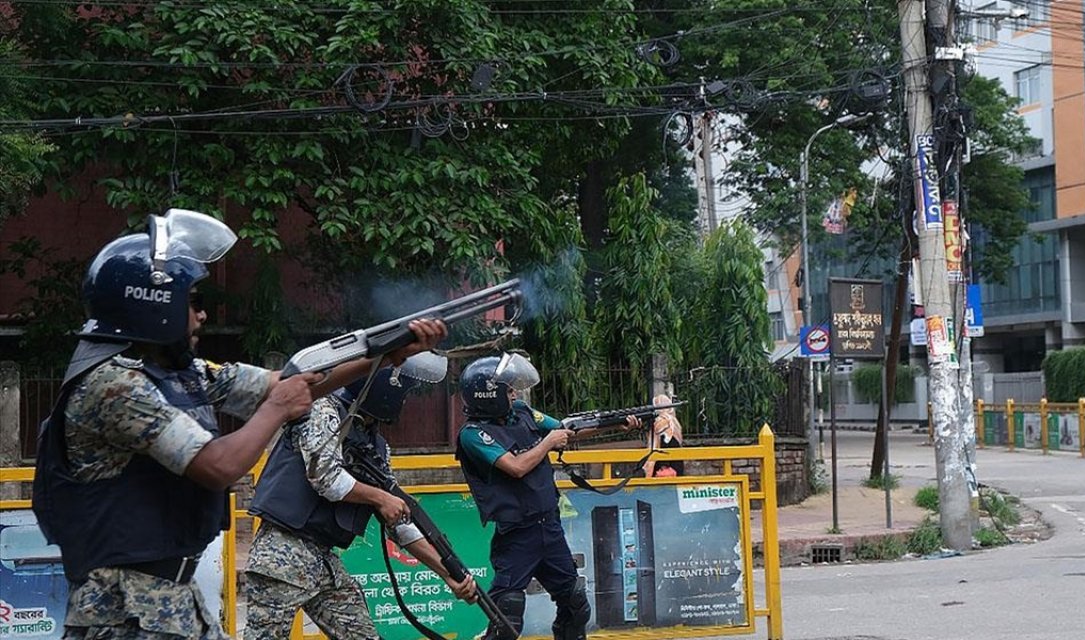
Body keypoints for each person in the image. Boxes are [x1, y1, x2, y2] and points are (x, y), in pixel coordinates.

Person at [32, 209, 444, 640]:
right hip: (122, 611)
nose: (202, 316)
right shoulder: (113, 385)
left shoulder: (179, 372)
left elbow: (294, 384)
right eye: (192, 302)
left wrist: (388, 352)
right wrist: (276, 409)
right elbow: (217, 465)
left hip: (170, 601)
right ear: (153, 302)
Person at [243, 352, 478, 639]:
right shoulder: (324, 408)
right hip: (282, 555)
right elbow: (325, 477)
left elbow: (400, 522)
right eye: (403, 391)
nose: (404, 401)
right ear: (383, 386)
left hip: (323, 561)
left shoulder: (375, 444)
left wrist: (448, 574)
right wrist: (379, 498)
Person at [454, 353, 639, 640]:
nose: (513, 391)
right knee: (507, 616)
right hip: (517, 535)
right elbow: (515, 467)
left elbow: (566, 430)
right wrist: (548, 443)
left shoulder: (522, 412)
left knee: (576, 605)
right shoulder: (473, 434)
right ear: (489, 395)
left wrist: (613, 424)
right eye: (507, 388)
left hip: (548, 528)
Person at [642, 393, 684, 478]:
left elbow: (665, 442)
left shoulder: (661, 422)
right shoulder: (673, 421)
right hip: (676, 463)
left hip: (666, 468)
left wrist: (663, 467)